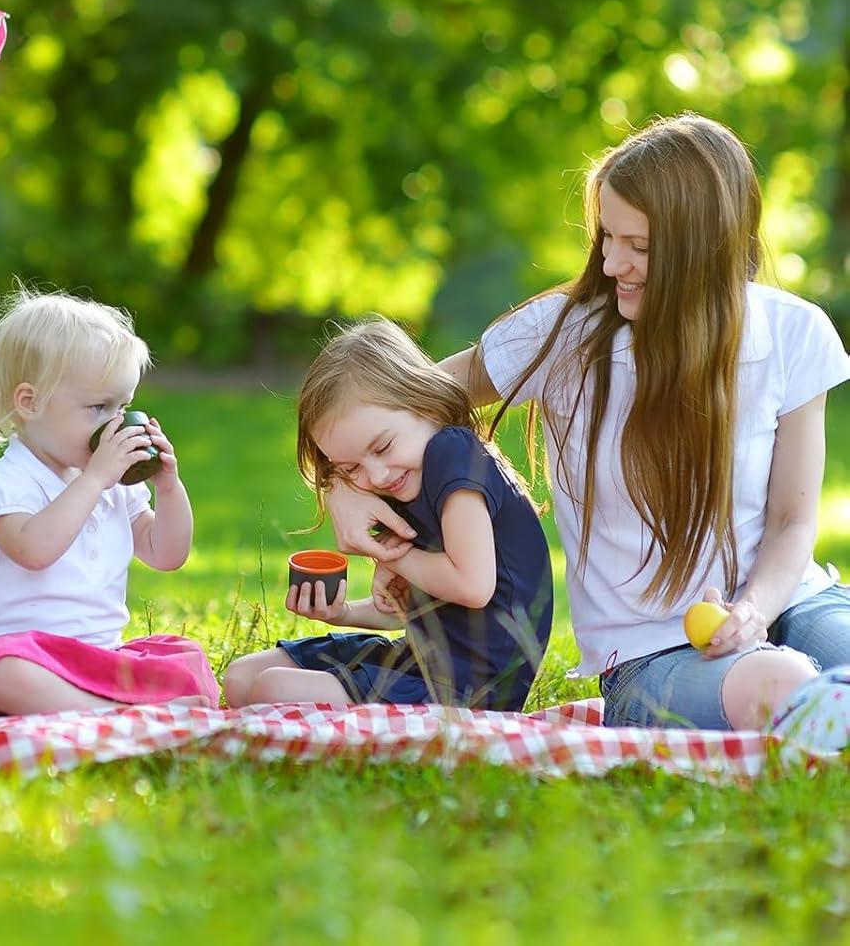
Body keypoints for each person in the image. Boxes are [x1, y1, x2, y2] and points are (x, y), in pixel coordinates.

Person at [325, 114, 850, 730]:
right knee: (781, 681)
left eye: (640, 247)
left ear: (706, 247)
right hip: (653, 651)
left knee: (823, 655)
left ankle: (824, 710)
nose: (611, 263)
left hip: (789, 600)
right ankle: (816, 710)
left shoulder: (794, 332)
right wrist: (341, 486)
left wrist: (753, 612)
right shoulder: (563, 335)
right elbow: (397, 401)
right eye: (607, 236)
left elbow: (792, 522)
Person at [223, 317, 553, 711]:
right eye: (350, 469)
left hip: (468, 690)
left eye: (382, 447)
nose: (375, 475)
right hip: (423, 661)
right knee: (242, 679)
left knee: (274, 690)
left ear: (425, 403)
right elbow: (417, 616)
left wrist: (389, 552)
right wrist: (343, 614)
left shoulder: (452, 452)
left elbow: (472, 586)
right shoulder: (408, 477)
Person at [0, 284, 218, 719]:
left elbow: (167, 555)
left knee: (184, 656)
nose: (116, 423)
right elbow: (34, 550)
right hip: (24, 655)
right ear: (29, 403)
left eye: (123, 406)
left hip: (98, 657)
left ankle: (110, 703)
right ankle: (113, 713)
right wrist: (96, 478)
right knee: (1, 676)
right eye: (99, 407)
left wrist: (168, 487)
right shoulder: (8, 482)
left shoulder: (115, 482)